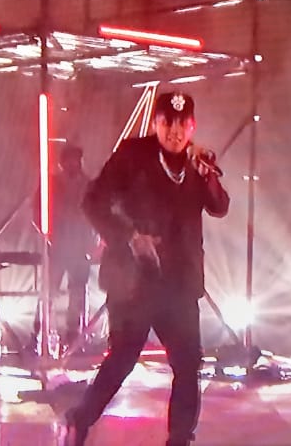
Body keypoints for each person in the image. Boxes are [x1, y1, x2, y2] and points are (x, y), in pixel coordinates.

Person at [62, 91, 230, 446]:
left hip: (179, 284)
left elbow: (219, 206)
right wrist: (129, 236)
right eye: (168, 123)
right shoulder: (132, 155)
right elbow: (92, 202)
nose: (175, 132)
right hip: (134, 281)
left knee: (188, 364)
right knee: (123, 359)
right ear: (156, 123)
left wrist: (209, 177)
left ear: (192, 126)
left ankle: (179, 439)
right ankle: (80, 419)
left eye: (183, 124)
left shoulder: (195, 162)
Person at [31, 144, 97, 351]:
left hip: (78, 247)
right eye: (69, 160)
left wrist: (92, 241)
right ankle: (38, 333)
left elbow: (98, 214)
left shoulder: (88, 185)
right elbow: (37, 211)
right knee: (49, 292)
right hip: (59, 245)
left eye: (75, 159)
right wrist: (48, 234)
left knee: (76, 292)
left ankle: (72, 336)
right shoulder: (52, 184)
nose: (72, 164)